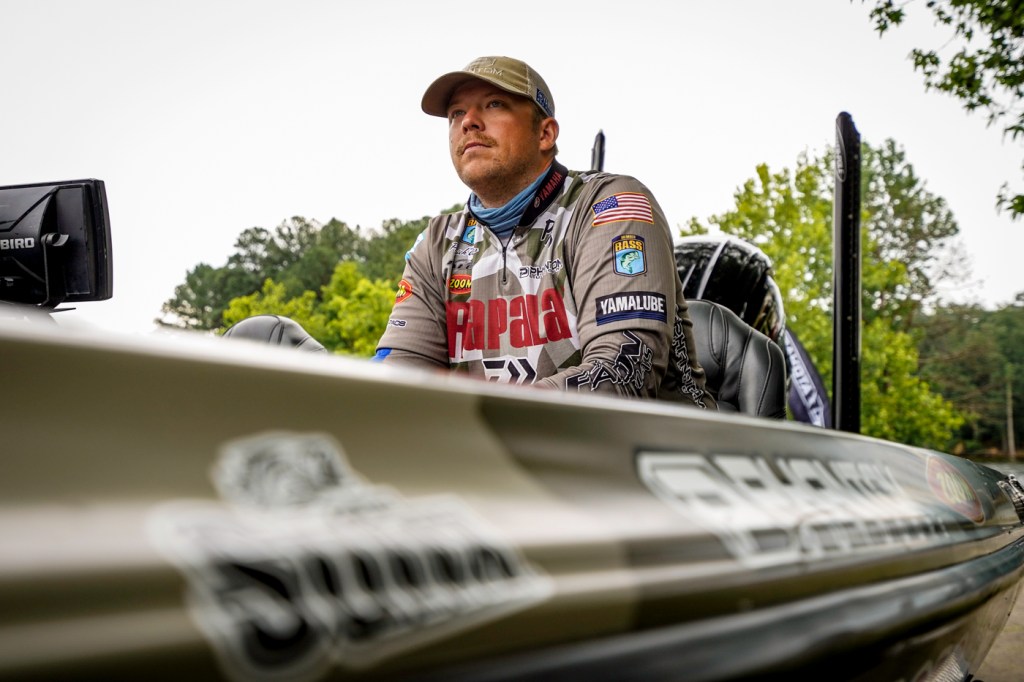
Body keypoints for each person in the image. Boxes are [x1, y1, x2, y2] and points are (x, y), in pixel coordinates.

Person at [374, 56, 715, 409]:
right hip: (489, 440)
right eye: (456, 113)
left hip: (658, 440)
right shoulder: (437, 242)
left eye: (494, 104)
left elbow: (625, 370)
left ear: (545, 134)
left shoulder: (610, 205)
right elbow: (398, 376)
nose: (468, 122)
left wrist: (478, 415)